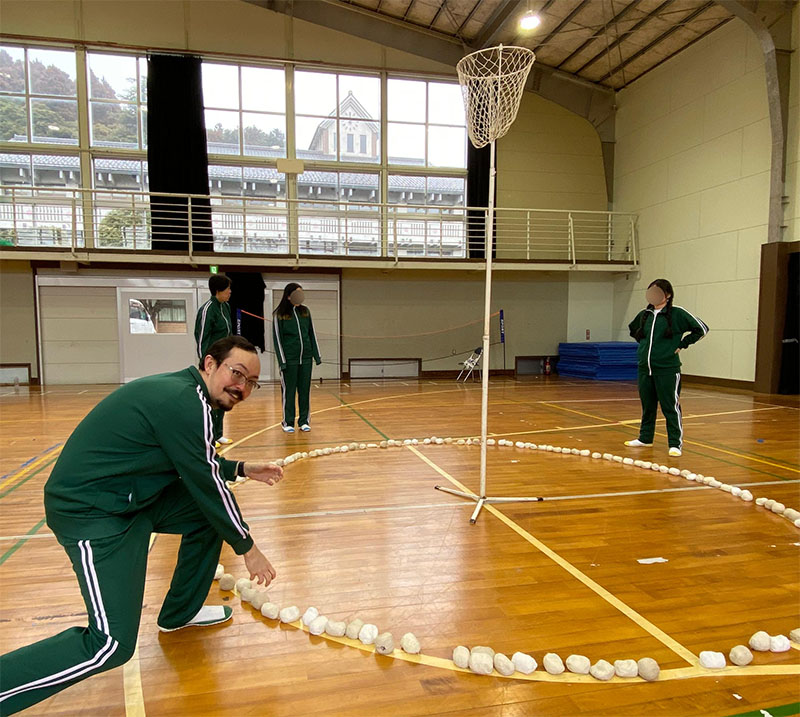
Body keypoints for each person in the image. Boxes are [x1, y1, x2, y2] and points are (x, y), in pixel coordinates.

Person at [0, 336, 282, 715]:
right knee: (111, 645)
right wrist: (248, 547)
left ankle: (180, 613)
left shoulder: (194, 396)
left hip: (128, 499)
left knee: (204, 514)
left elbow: (194, 461)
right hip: (92, 514)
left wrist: (241, 468)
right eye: (237, 373)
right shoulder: (183, 401)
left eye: (251, 382)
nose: (242, 387)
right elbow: (205, 481)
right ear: (210, 364)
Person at [625, 279, 709, 457]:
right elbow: (633, 329)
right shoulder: (644, 315)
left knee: (670, 406)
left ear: (667, 295)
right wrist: (644, 347)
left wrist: (682, 344)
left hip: (667, 369)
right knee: (648, 406)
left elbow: (701, 329)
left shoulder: (678, 314)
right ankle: (645, 438)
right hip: (644, 369)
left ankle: (675, 443)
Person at [272, 283, 322, 433]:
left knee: (304, 391)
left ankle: (304, 421)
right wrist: (283, 361)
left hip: (305, 360)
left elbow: (311, 334)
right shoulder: (279, 314)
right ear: (288, 296)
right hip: (289, 361)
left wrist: (316, 355)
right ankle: (287, 422)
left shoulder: (305, 312)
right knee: (289, 392)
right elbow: (277, 340)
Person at [195, 274, 233, 444]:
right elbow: (201, 337)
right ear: (218, 291)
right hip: (212, 362)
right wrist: (206, 363)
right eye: (227, 289)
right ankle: (209, 436)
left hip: (226, 360)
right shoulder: (207, 309)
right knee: (211, 398)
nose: (230, 292)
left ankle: (218, 433)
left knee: (223, 396)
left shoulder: (226, 307)